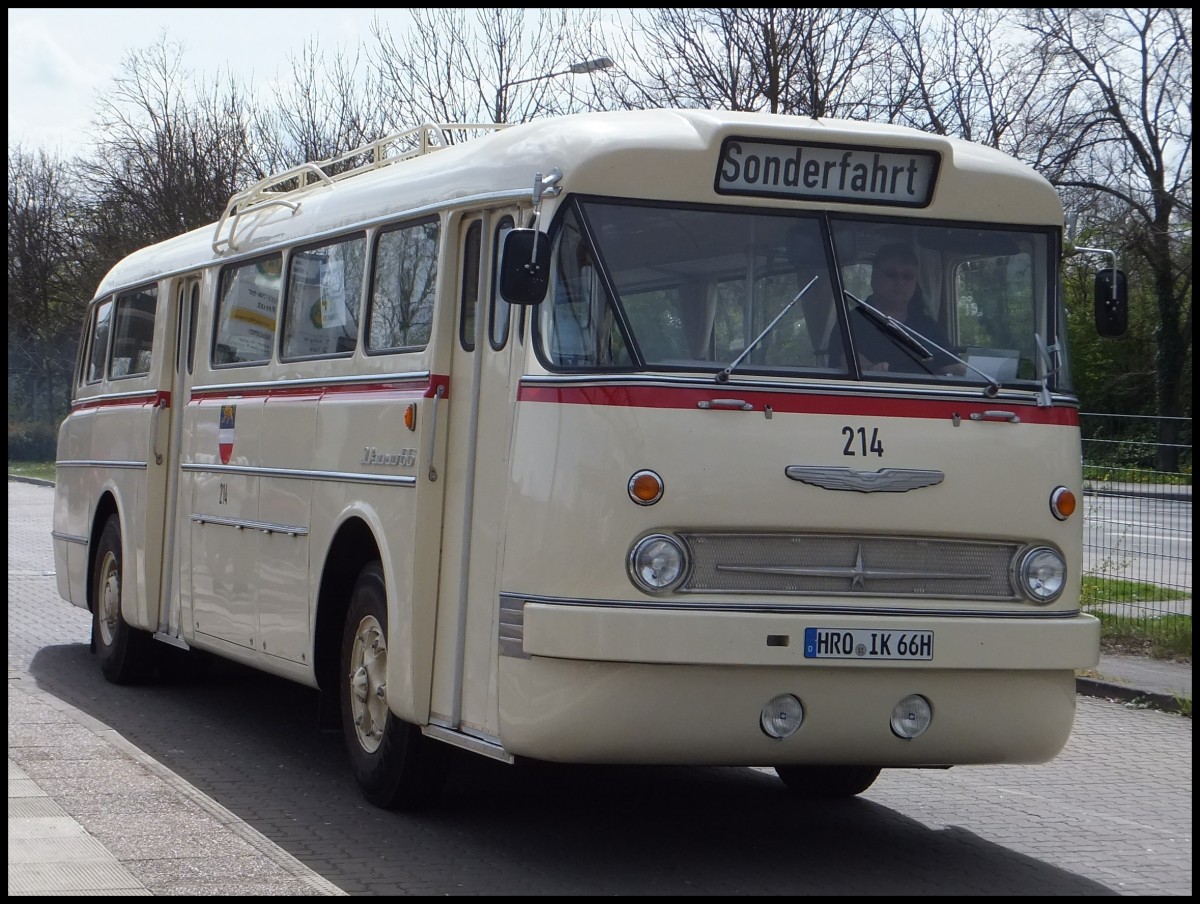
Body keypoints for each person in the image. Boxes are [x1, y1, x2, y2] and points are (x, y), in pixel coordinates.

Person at [843, 243, 966, 375]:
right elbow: (843, 362)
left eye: (907, 276)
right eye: (891, 274)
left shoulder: (929, 327)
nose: (900, 282)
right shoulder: (850, 323)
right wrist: (870, 369)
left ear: (915, 283)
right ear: (873, 278)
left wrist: (949, 371)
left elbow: (956, 367)